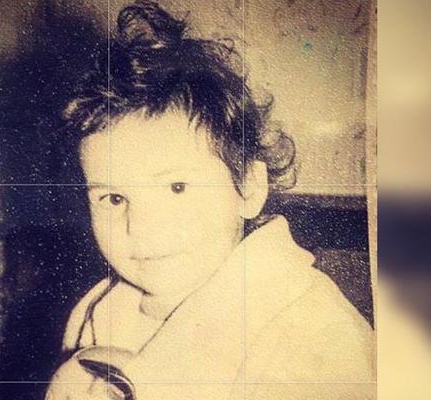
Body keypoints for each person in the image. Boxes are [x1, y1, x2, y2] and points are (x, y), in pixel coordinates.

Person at [45, 1, 375, 399]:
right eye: (114, 198)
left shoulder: (314, 337)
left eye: (177, 187)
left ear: (248, 188)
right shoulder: (98, 311)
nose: (142, 227)